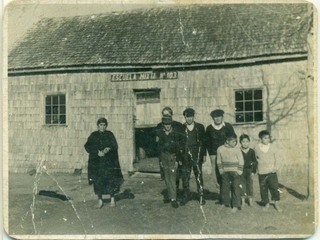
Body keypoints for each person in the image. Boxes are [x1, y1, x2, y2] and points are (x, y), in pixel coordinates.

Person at [84, 117, 124, 208]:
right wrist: (97, 152)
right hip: (97, 163)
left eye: (104, 125)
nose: (102, 127)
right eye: (101, 125)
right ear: (98, 126)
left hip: (108, 163)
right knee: (98, 181)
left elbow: (114, 145)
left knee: (110, 180)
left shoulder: (110, 135)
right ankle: (100, 201)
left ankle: (112, 199)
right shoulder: (93, 135)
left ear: (106, 126)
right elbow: (87, 146)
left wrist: (108, 149)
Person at [205, 109, 235, 202]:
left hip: (226, 153)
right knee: (218, 174)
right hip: (214, 154)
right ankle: (222, 195)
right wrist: (211, 154)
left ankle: (230, 195)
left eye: (219, 116)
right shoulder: (209, 128)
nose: (217, 119)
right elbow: (207, 142)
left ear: (222, 117)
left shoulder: (228, 126)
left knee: (228, 173)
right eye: (215, 117)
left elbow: (233, 139)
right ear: (213, 118)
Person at [155, 115, 185, 208]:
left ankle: (174, 199)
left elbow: (179, 148)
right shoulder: (160, 134)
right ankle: (169, 195)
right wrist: (160, 160)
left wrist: (178, 160)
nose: (167, 126)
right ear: (163, 125)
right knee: (166, 177)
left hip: (173, 157)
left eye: (169, 124)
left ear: (171, 124)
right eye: (165, 124)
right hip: (164, 157)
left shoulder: (175, 134)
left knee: (172, 178)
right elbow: (159, 148)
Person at [181, 108, 206, 206]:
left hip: (197, 154)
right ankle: (186, 196)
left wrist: (204, 155)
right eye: (187, 116)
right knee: (185, 176)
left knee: (198, 175)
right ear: (185, 117)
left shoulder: (200, 127)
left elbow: (203, 142)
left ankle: (201, 196)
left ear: (193, 116)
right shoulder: (181, 128)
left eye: (191, 116)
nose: (189, 119)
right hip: (186, 155)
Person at [254, 130, 283, 212]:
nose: (267, 140)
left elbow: (278, 158)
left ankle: (276, 203)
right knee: (263, 188)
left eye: (268, 138)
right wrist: (256, 168)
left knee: (274, 188)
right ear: (260, 139)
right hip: (261, 172)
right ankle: (266, 203)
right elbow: (255, 158)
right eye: (265, 138)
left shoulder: (273, 147)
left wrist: (276, 167)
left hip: (271, 172)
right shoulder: (256, 147)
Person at [216, 132, 244, 213]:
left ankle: (235, 205)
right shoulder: (220, 149)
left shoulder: (237, 149)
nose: (235, 143)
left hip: (235, 172)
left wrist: (239, 170)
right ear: (227, 141)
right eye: (233, 141)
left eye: (236, 141)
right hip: (225, 172)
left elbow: (241, 160)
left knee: (236, 188)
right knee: (225, 188)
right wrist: (220, 170)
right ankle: (225, 203)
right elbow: (219, 160)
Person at [239, 134, 257, 207]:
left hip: (249, 170)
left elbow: (255, 161)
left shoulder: (252, 151)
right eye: (243, 142)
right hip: (241, 170)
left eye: (247, 141)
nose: (245, 143)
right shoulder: (238, 151)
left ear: (249, 142)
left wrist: (253, 171)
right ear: (240, 142)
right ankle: (243, 201)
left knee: (249, 185)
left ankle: (250, 201)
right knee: (242, 185)